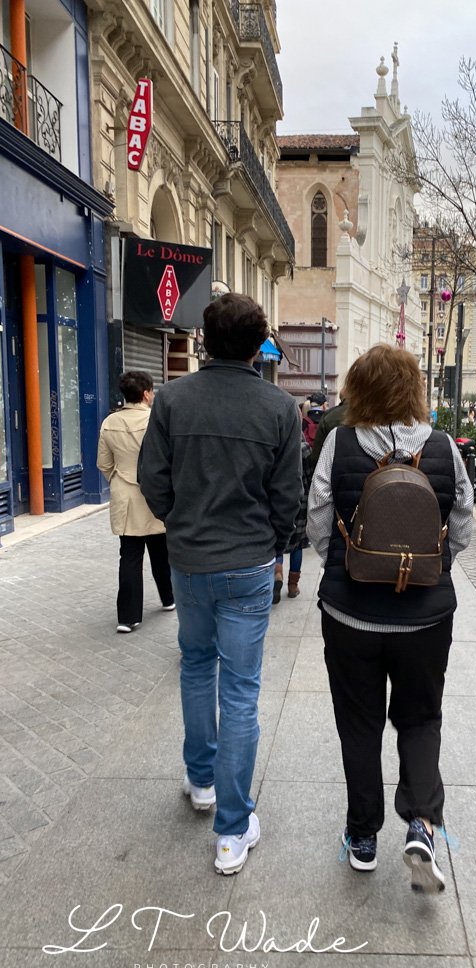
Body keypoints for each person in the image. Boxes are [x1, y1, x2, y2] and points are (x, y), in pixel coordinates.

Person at [139, 293, 302, 876]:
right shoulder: (279, 408)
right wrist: (273, 544)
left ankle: (202, 780)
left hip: (191, 561)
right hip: (248, 563)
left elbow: (151, 480)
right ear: (260, 346)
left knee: (195, 665)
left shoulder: (174, 400)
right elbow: (289, 497)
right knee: (240, 690)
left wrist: (180, 524)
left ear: (205, 341)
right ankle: (231, 830)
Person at [307, 344, 474, 893]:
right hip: (426, 618)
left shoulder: (340, 441)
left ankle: (362, 836)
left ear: (359, 388)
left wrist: (348, 557)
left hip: (350, 613)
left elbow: (318, 520)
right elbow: (463, 529)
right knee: (421, 718)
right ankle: (423, 824)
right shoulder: (445, 446)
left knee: (359, 724)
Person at [96, 371, 174, 634]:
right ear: (145, 394)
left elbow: (104, 464)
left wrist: (119, 480)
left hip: (124, 496)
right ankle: (169, 597)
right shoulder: (157, 420)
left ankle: (128, 617)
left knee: (129, 555)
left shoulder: (109, 423)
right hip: (155, 496)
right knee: (161, 552)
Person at [273, 433, 312, 603]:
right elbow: (311, 476)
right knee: (298, 544)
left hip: (279, 498)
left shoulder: (276, 445)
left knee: (278, 539)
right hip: (301, 499)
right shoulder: (305, 449)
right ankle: (293, 586)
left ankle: (277, 573)